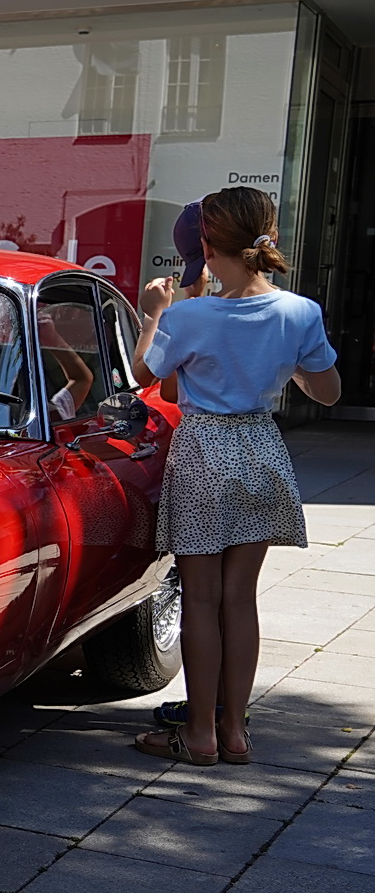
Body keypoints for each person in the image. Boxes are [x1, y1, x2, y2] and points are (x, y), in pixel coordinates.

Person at [131, 186, 341, 766]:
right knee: (239, 598)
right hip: (261, 449)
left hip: (204, 451)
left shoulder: (190, 314)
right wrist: (282, 363)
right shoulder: (300, 311)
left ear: (206, 243)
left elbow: (142, 374)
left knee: (199, 598)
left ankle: (198, 732)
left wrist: (153, 313)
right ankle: (235, 733)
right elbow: (327, 391)